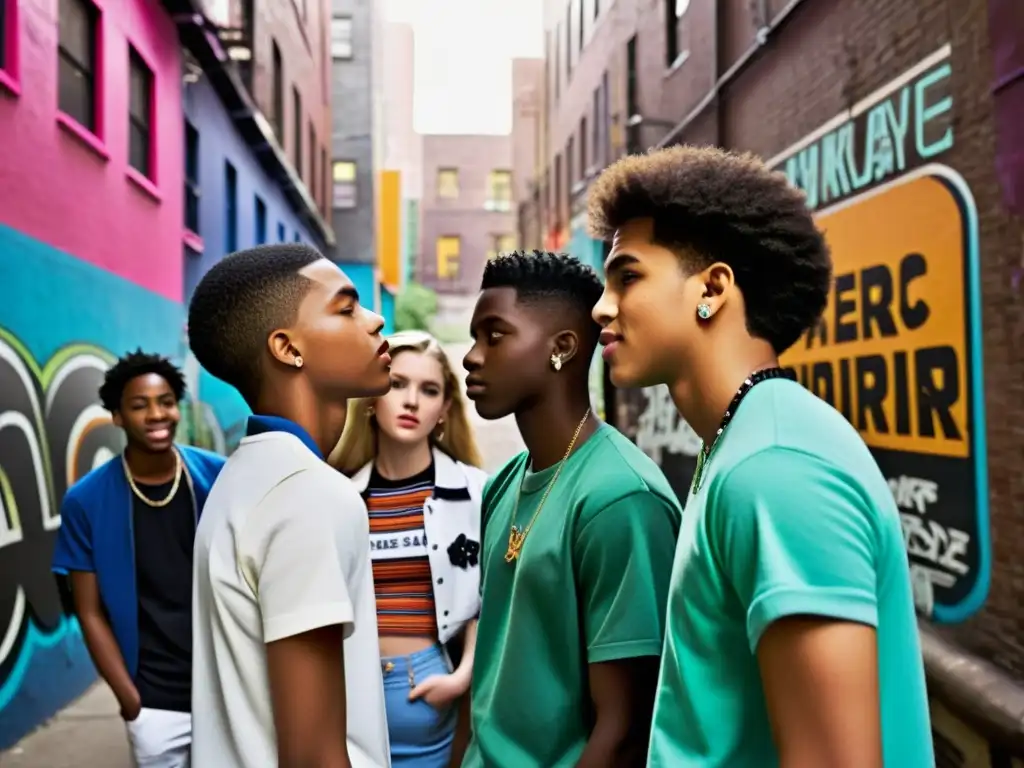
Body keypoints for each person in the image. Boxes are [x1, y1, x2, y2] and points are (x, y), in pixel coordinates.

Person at [588, 145, 934, 767]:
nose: (601, 306)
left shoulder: (774, 465)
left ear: (713, 288)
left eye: (628, 276)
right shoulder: (742, 444)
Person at [460, 251, 682, 768]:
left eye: (494, 336)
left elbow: (623, 732)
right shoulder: (504, 483)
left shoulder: (621, 499)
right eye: (474, 337)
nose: (472, 356)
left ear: (561, 348)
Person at [186, 243, 392, 768]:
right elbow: (314, 757)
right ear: (286, 347)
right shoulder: (307, 494)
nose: (375, 320)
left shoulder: (242, 480)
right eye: (346, 308)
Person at [51, 350, 225, 768]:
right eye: (139, 404)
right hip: (153, 704)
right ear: (117, 416)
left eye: (165, 401)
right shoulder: (87, 501)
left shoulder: (218, 477)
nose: (156, 414)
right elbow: (88, 611)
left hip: (223, 688)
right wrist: (131, 701)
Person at [331, 330, 487, 768]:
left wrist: (461, 678)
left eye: (429, 389)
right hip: (348, 696)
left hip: (428, 696)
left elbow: (486, 600)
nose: (412, 401)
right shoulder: (340, 497)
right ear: (371, 398)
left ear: (445, 410)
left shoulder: (475, 493)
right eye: (397, 383)